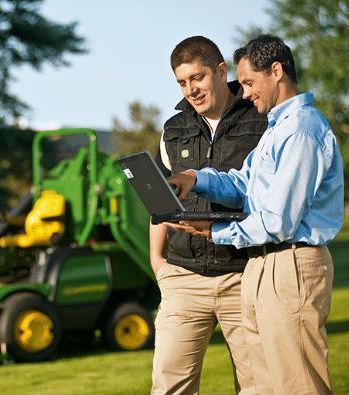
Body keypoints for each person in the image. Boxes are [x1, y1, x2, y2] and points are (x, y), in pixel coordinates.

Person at [168, 34, 344, 395]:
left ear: (276, 71)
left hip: (290, 264)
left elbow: (279, 220)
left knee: (298, 385)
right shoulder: (278, 127)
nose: (245, 93)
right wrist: (194, 179)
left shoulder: (301, 130)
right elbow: (244, 183)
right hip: (262, 265)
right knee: (263, 385)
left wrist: (216, 232)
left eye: (249, 82)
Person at [150, 36, 267, 395]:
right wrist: (158, 263)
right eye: (182, 83)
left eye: (197, 78)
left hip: (244, 275)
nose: (191, 90)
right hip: (183, 278)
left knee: (259, 386)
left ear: (220, 71)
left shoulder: (259, 118)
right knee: (169, 387)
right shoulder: (173, 129)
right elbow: (159, 202)